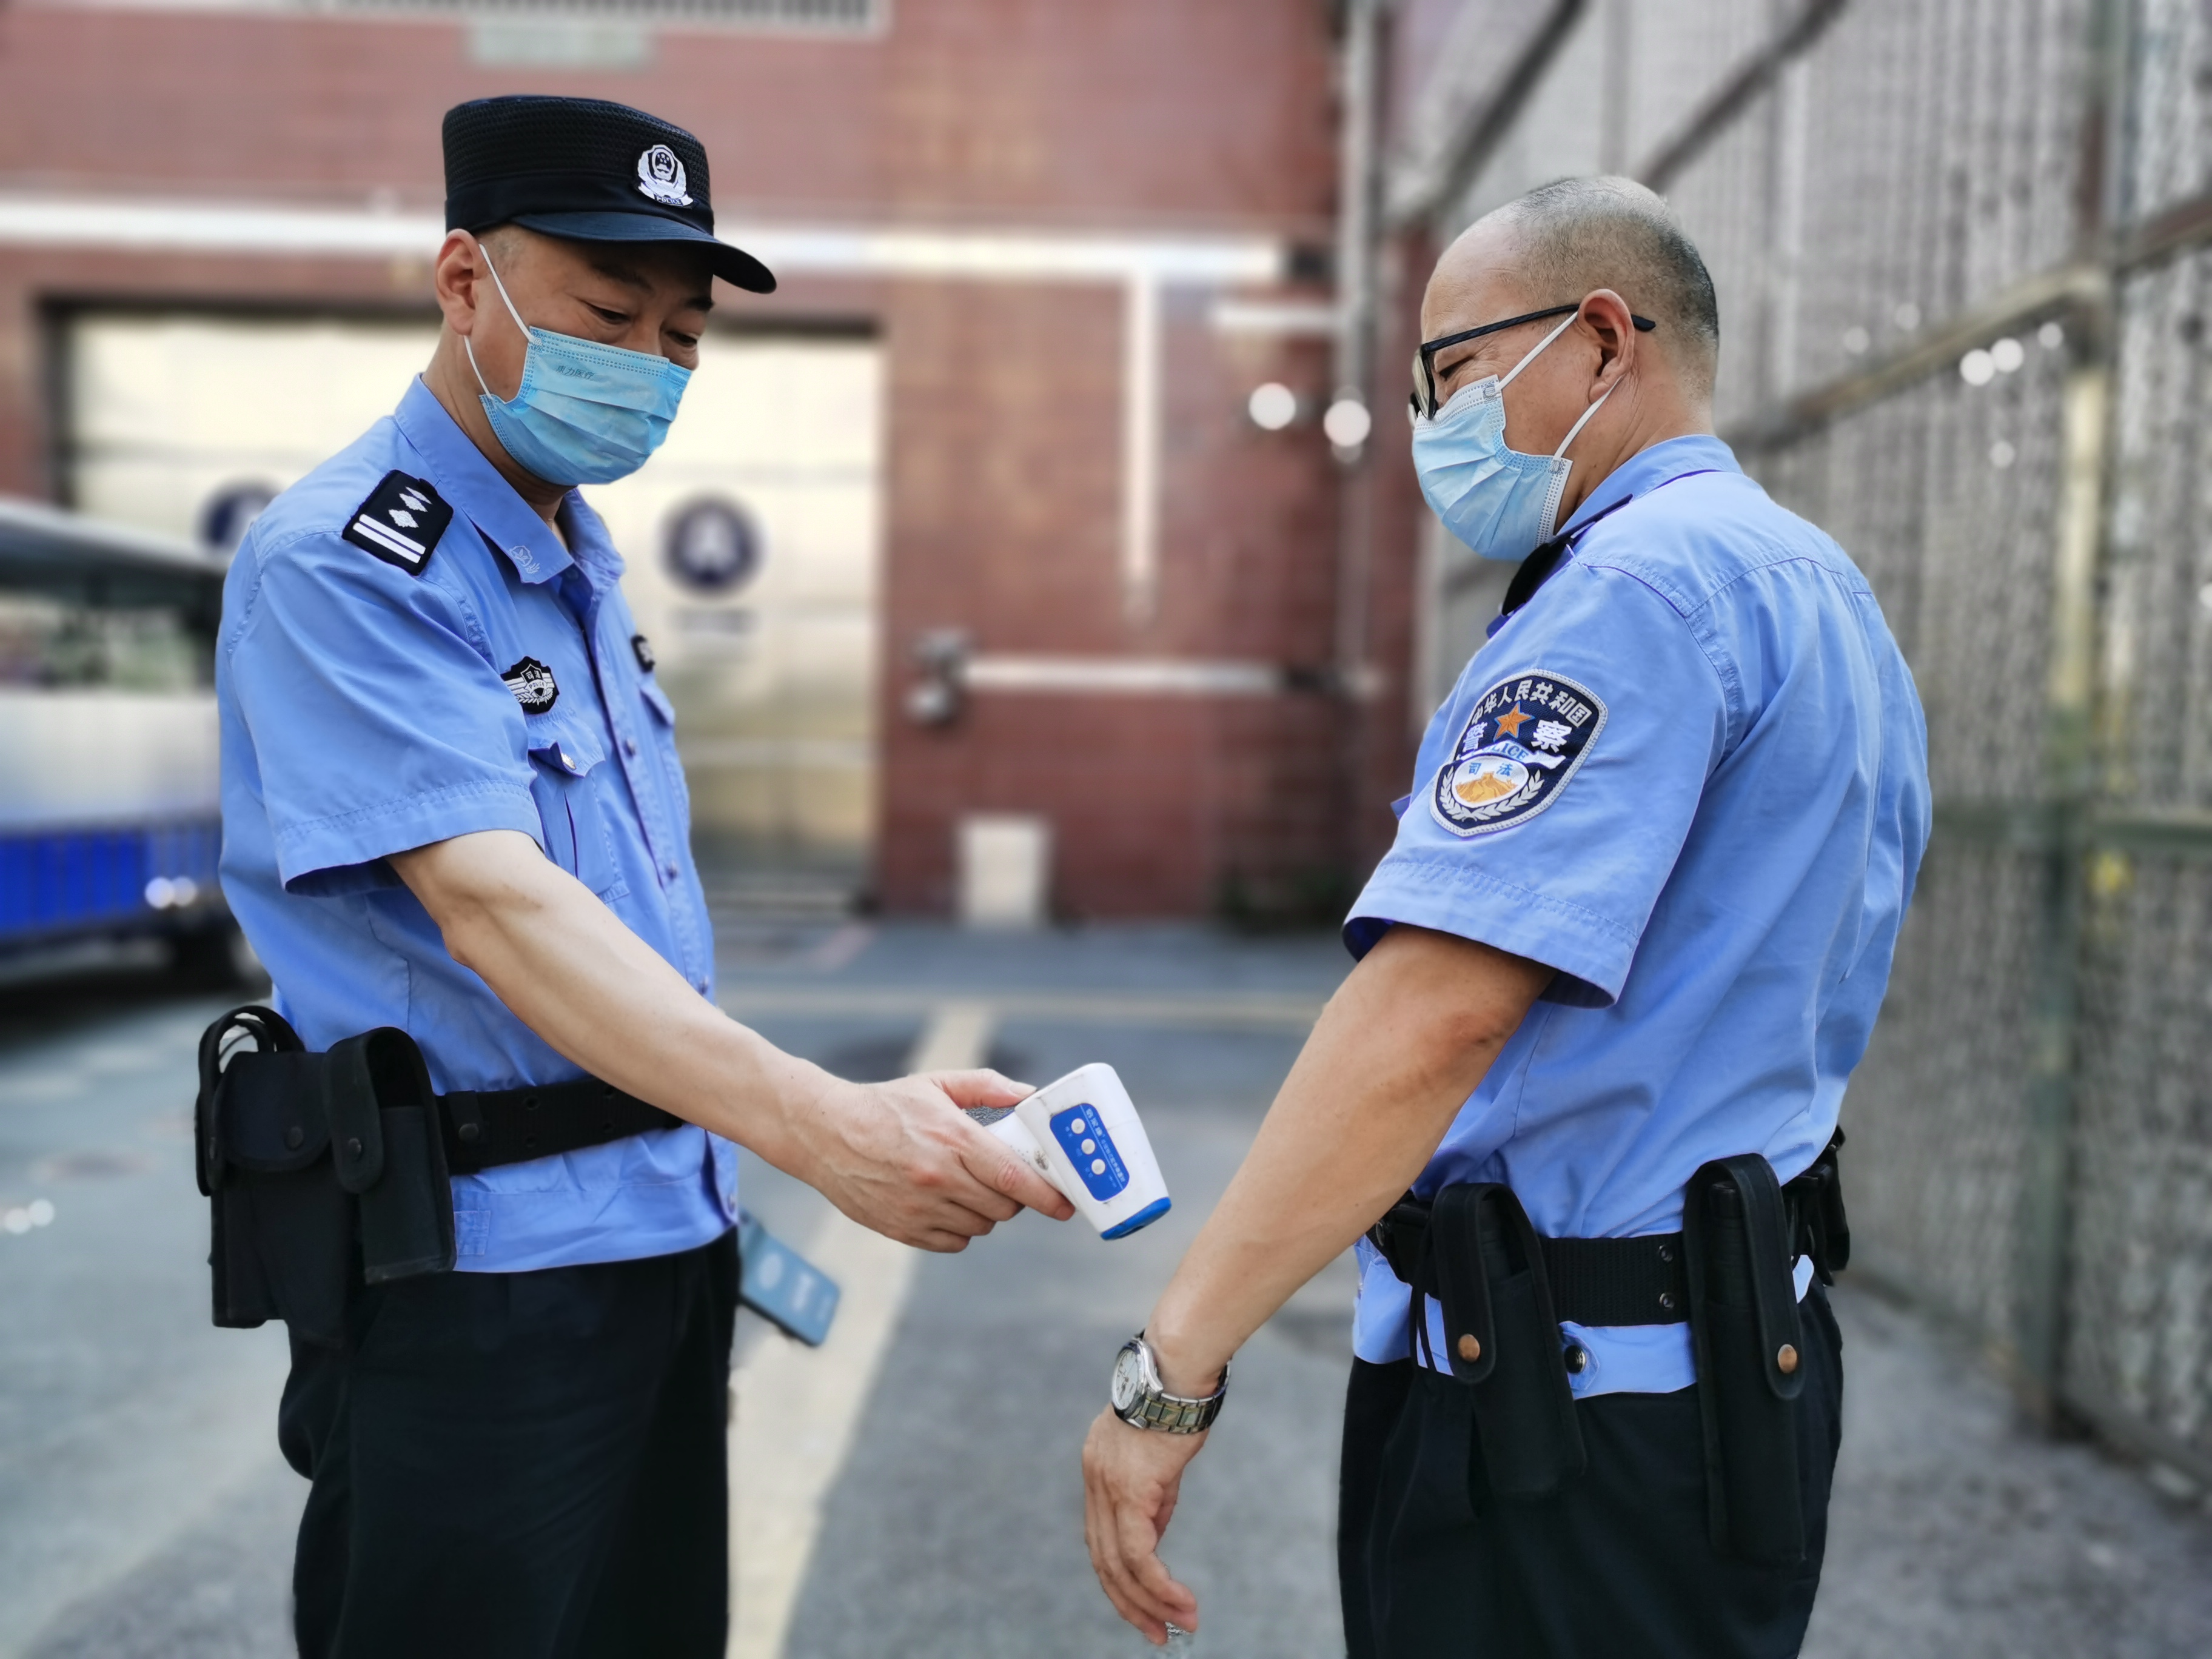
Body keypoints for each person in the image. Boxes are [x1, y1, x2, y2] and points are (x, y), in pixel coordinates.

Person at [213, 95, 1071, 1659]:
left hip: (665, 1240)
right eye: (610, 316)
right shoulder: (352, 561)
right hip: (474, 1282)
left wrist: (787, 1145)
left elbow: (633, 935)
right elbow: (499, 908)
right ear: (463, 280)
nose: (652, 367)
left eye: (684, 338)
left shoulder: (578, 564)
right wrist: (826, 1125)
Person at [1078, 176, 1929, 1657]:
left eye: (1455, 372)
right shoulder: (1820, 587)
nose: (1433, 422)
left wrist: (1172, 1373)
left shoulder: (1634, 597)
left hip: (1565, 1417)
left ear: (1600, 340)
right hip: (1739, 1380)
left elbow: (1435, 1018)